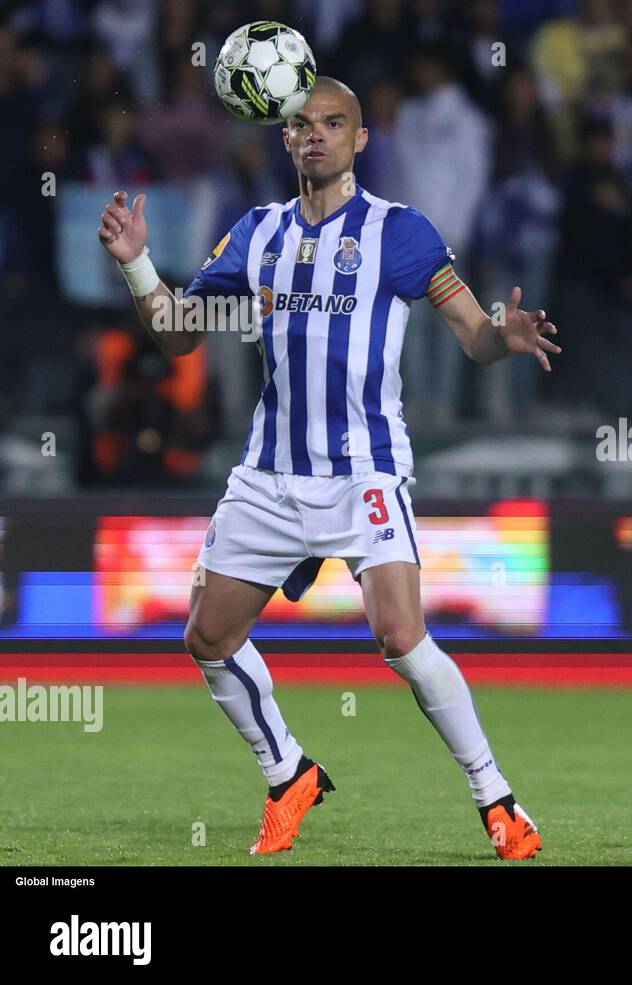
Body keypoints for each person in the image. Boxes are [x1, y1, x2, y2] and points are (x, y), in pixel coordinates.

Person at [95, 77, 559, 859]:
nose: (316, 134)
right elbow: (178, 334)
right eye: (302, 124)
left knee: (401, 633)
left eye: (333, 123)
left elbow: (472, 332)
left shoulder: (400, 233)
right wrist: (141, 269)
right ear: (285, 140)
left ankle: (498, 799)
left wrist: (500, 337)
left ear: (360, 140)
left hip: (364, 469)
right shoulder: (255, 233)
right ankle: (288, 773)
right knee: (207, 636)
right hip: (271, 475)